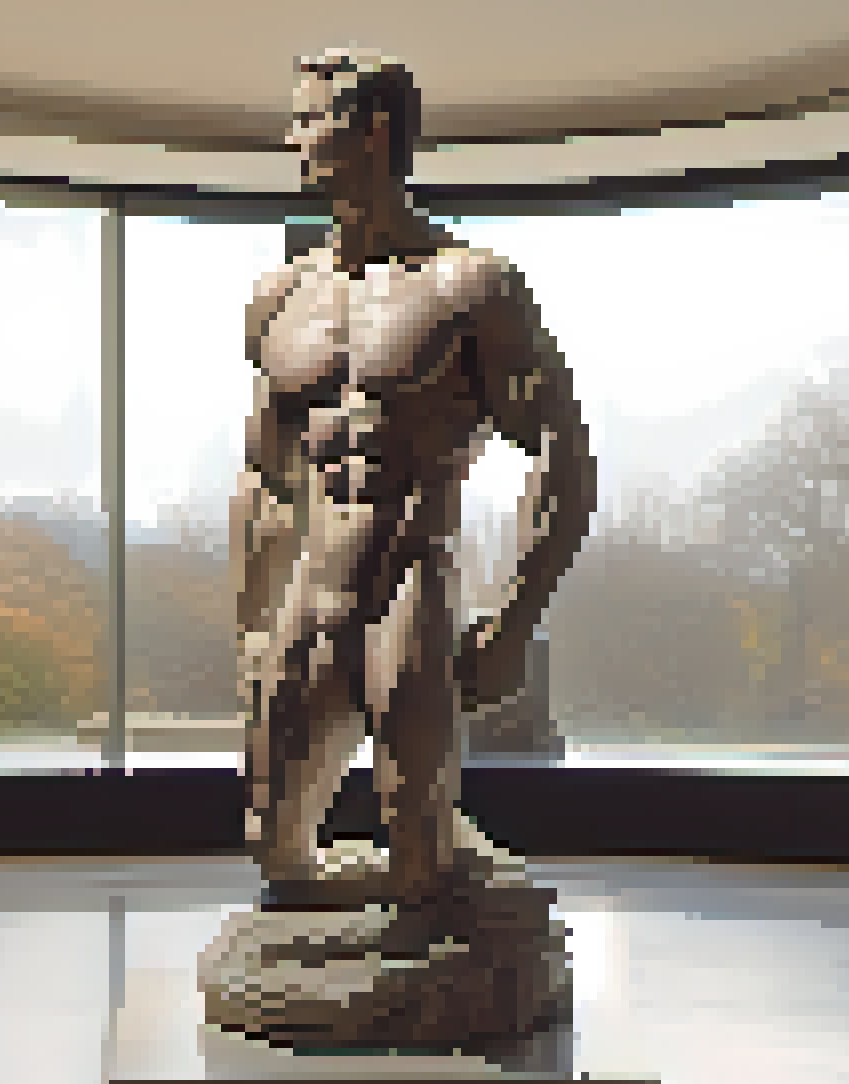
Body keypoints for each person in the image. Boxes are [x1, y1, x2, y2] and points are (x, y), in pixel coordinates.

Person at [237, 48, 595, 945]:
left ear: (373, 129)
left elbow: (560, 448)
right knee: (275, 853)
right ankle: (435, 858)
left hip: (407, 588)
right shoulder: (281, 300)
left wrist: (516, 618)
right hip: (308, 598)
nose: (294, 138)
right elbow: (265, 475)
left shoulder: (468, 286)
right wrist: (252, 620)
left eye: (311, 118)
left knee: (416, 870)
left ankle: (436, 856)